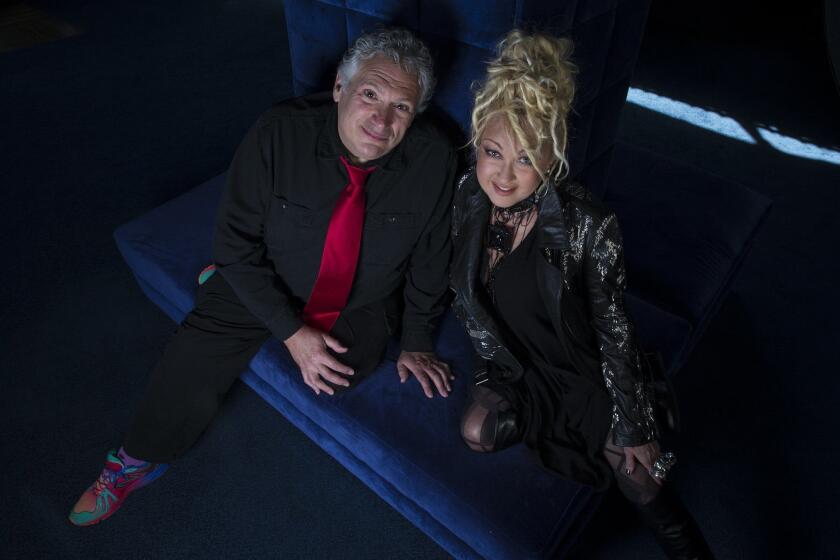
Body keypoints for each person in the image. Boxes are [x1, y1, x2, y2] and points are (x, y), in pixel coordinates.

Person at [69, 27, 457, 526]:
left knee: (337, 379)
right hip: (271, 271)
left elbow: (431, 257)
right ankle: (139, 458)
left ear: (416, 114)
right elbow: (234, 241)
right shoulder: (278, 131)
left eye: (402, 107)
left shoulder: (435, 159)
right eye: (370, 94)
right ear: (339, 87)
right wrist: (293, 334)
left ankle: (236, 290)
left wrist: (418, 338)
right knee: (194, 351)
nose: (381, 119)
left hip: (363, 294)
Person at [449, 30, 713, 559]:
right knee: (477, 431)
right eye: (492, 151)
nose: (501, 175)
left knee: (640, 475)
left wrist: (633, 422)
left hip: (584, 368)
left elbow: (614, 329)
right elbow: (469, 296)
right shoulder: (468, 195)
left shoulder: (590, 224)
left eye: (525, 160)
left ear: (552, 158)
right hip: (520, 367)